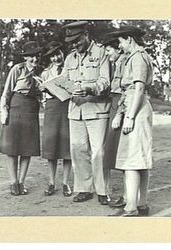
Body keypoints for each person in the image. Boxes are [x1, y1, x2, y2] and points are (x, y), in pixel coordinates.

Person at [61, 21, 111, 205]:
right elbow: (64, 80)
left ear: (86, 34)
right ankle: (84, 189)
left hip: (97, 110)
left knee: (98, 152)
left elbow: (106, 81)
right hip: (75, 111)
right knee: (77, 150)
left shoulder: (101, 53)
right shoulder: (69, 58)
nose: (74, 45)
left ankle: (103, 190)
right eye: (71, 42)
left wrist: (89, 88)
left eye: (77, 40)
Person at [108, 26, 154, 216]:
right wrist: (123, 112)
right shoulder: (137, 56)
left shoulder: (137, 57)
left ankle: (131, 207)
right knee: (139, 158)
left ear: (129, 39)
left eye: (120, 41)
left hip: (138, 108)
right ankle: (141, 204)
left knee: (132, 160)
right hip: (135, 106)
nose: (120, 45)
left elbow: (138, 89)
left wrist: (130, 116)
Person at [0, 41, 43, 196]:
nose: (34, 59)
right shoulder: (17, 69)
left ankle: (22, 182)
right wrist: (4, 111)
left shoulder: (41, 71)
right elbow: (7, 91)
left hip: (31, 109)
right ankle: (13, 182)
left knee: (27, 149)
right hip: (16, 107)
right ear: (26, 57)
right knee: (12, 148)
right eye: (31, 56)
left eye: (36, 56)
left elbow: (43, 94)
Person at [40, 41, 72, 197]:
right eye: (52, 56)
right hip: (52, 109)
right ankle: (51, 182)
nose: (55, 58)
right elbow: (43, 96)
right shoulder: (46, 73)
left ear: (62, 53)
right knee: (51, 146)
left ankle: (66, 183)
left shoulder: (70, 69)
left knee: (66, 147)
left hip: (67, 107)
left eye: (57, 54)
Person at [101, 37, 128, 207]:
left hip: (121, 106)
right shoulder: (116, 63)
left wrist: (119, 113)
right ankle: (111, 193)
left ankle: (127, 196)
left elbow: (128, 91)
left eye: (109, 50)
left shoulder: (125, 62)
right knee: (111, 151)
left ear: (118, 49)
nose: (106, 53)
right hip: (113, 104)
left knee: (123, 152)